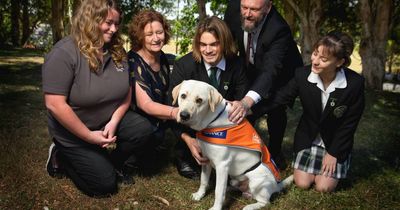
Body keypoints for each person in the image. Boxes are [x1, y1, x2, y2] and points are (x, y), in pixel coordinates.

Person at [43, 0, 132, 197]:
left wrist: (114, 121)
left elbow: (127, 91)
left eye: (117, 23)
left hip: (105, 123)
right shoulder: (64, 52)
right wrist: (89, 136)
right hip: (72, 132)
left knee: (142, 130)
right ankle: (61, 155)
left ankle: (108, 160)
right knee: (105, 185)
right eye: (108, 22)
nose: (113, 29)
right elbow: (54, 104)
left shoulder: (118, 51)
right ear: (90, 19)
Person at [272, 31, 365, 192]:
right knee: (302, 183)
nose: (315, 61)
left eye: (323, 59)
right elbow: (280, 98)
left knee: (323, 187)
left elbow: (349, 124)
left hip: (335, 142)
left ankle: (330, 169)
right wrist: (250, 107)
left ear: (339, 62)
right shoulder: (302, 74)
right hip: (309, 138)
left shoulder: (354, 84)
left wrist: (333, 153)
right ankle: (312, 171)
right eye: (315, 54)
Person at [224, 0, 304, 169]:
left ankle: (275, 152)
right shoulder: (233, 9)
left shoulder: (279, 29)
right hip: (252, 67)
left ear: (268, 8)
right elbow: (226, 41)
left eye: (254, 9)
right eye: (244, 7)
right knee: (248, 112)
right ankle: (243, 149)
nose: (247, 13)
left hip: (283, 75)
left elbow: (270, 71)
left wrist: (247, 101)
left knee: (275, 110)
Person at [169, 16, 248, 179]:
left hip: (226, 136)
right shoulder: (183, 66)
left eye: (214, 44)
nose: (208, 50)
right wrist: (189, 140)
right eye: (203, 45)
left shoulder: (238, 65)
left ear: (224, 43)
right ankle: (183, 156)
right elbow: (171, 108)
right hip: (190, 133)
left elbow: (242, 105)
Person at [116, 9, 178, 174]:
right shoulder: (133, 61)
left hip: (157, 121)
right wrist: (178, 113)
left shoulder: (162, 57)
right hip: (137, 122)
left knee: (152, 156)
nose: (156, 38)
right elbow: (146, 105)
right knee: (147, 163)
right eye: (149, 34)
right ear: (139, 36)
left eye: (159, 32)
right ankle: (123, 158)